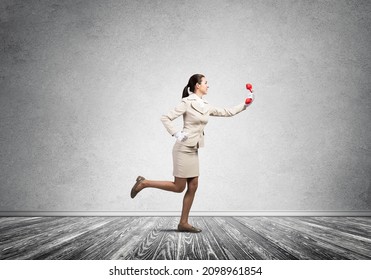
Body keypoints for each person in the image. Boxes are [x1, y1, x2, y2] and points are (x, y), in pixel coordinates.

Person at [130, 74, 254, 233]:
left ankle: (183, 223)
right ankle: (144, 183)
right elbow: (165, 117)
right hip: (182, 148)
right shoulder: (187, 102)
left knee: (193, 185)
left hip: (193, 149)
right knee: (179, 187)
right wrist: (176, 133)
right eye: (206, 83)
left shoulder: (206, 105)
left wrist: (245, 103)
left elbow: (227, 112)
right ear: (197, 85)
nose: (208, 85)